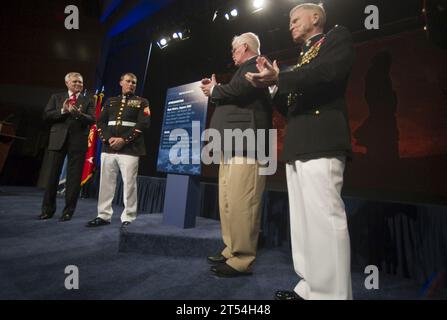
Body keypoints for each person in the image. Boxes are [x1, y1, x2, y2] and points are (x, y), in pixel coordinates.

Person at [245, 3, 355, 299]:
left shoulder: (336, 38)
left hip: (322, 140)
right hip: (300, 143)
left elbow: (328, 73)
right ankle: (310, 287)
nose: (290, 25)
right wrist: (271, 87)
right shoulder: (303, 57)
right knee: (304, 225)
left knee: (325, 221)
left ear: (315, 17)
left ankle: (332, 295)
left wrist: (280, 78)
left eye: (295, 19)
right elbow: (290, 106)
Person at [200, 32, 272, 277]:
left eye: (233, 50)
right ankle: (231, 249)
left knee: (243, 204)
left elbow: (238, 89)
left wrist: (215, 90)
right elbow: (233, 92)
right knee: (229, 202)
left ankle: (242, 259)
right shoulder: (243, 70)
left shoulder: (257, 65)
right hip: (231, 144)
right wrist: (217, 90)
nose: (231, 55)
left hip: (248, 145)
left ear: (244, 47)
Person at [86, 73, 151, 228]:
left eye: (134, 82)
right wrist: (108, 139)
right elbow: (100, 122)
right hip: (109, 148)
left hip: (130, 149)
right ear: (121, 82)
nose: (131, 84)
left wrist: (124, 140)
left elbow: (144, 123)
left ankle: (129, 216)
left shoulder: (142, 102)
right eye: (128, 81)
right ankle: (103, 215)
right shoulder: (110, 101)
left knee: (129, 184)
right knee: (106, 184)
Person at [39, 72, 95, 221]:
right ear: (67, 83)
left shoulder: (88, 100)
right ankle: (47, 210)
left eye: (81, 82)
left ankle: (68, 211)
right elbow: (46, 115)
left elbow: (92, 119)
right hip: (58, 141)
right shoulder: (56, 97)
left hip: (78, 142)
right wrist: (63, 111)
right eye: (75, 82)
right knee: (52, 177)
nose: (78, 84)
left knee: (74, 179)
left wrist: (78, 114)